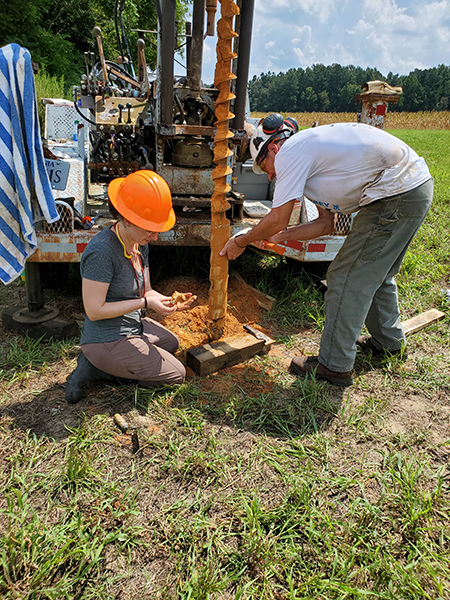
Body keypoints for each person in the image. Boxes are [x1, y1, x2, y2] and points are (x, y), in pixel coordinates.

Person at [220, 114, 433, 386]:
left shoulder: (291, 152)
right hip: (411, 187)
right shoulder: (312, 159)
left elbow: (277, 217)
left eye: (264, 167)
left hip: (395, 192)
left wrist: (242, 240)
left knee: (345, 278)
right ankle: (387, 343)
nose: (270, 175)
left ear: (273, 148)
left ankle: (334, 365)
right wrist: (282, 236)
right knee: (376, 273)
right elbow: (325, 224)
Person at [65, 170, 196, 404]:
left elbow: (146, 291)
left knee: (171, 343)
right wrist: (145, 303)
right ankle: (95, 368)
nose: (155, 237)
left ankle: (108, 362)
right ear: (127, 219)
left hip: (130, 325)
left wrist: (168, 300)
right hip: (105, 336)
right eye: (149, 229)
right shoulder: (102, 252)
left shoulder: (138, 242)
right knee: (177, 374)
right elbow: (94, 311)